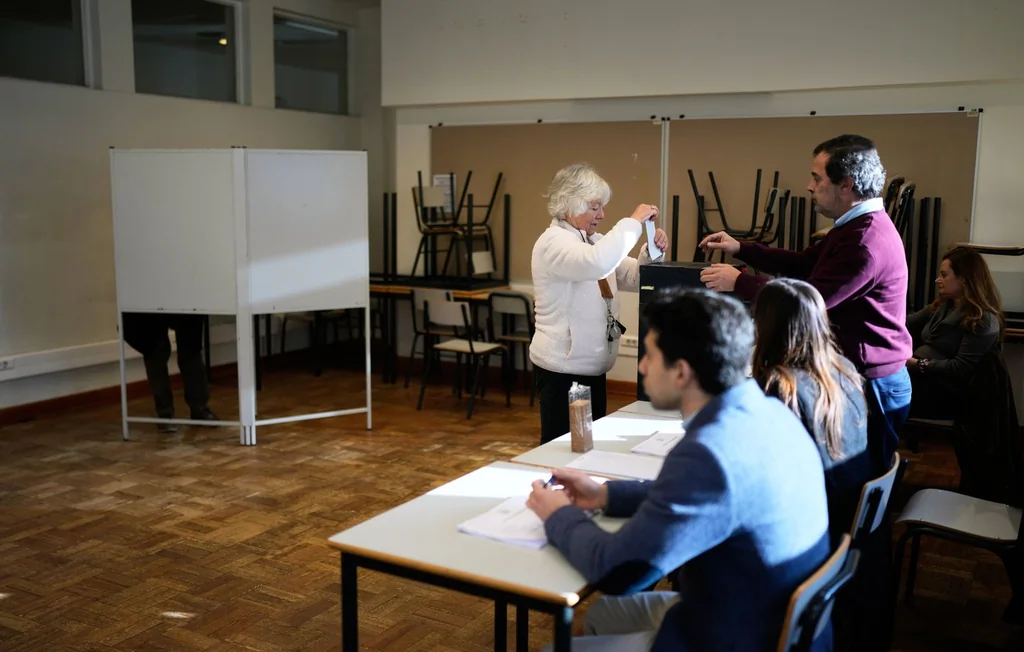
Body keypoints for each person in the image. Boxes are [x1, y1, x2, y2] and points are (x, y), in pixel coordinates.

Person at [525, 288, 832, 652]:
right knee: (603, 615)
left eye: (650, 356)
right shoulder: (769, 411)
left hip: (736, 635)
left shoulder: (709, 451)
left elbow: (618, 570)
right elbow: (693, 494)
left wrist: (557, 515)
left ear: (682, 372)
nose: (640, 366)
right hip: (764, 613)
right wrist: (605, 494)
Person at [698, 134, 912, 475]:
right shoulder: (853, 227)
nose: (809, 186)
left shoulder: (864, 241)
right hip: (861, 378)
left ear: (846, 185)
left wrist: (739, 281)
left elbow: (806, 299)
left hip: (874, 387)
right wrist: (741, 248)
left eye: (817, 178)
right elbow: (803, 263)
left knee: (857, 487)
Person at [530, 163, 667, 444]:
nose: (602, 215)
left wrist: (650, 252)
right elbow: (596, 264)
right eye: (595, 207)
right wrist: (633, 222)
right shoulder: (553, 243)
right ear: (571, 204)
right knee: (562, 449)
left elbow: (632, 277)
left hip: (592, 367)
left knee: (588, 447)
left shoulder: (593, 241)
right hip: (562, 371)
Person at [751, 278, 870, 547]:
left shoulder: (783, 387)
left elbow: (761, 471)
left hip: (805, 532)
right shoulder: (844, 370)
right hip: (844, 520)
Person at [906, 247, 1004, 419]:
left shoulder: (982, 320)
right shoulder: (943, 306)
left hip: (946, 392)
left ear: (964, 279)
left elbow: (960, 368)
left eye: (944, 275)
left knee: (882, 389)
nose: (938, 280)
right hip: (924, 379)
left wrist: (915, 363)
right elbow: (906, 322)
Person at [122, 312, 219, 433]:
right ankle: (165, 414)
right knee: (156, 350)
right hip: (151, 302)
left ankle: (199, 408)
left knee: (190, 351)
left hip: (186, 299)